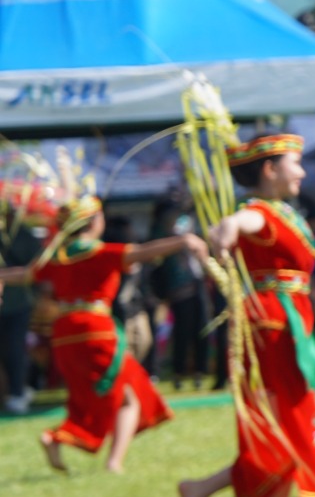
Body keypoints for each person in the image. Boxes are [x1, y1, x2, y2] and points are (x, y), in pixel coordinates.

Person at [176, 134, 315, 497]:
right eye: (295, 163)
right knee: (285, 425)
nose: (302, 171)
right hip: (270, 326)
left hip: (287, 323)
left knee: (286, 427)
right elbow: (240, 223)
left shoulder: (285, 212)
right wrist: (225, 229)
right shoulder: (258, 212)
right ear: (269, 169)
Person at [0, 196, 204, 472]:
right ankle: (110, 461)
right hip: (95, 329)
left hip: (63, 333)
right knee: (127, 397)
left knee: (96, 395)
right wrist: (183, 241)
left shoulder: (56, 259)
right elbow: (143, 252)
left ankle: (66, 440)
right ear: (95, 222)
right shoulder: (99, 252)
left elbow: (25, 274)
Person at [152, 214, 213, 390]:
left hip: (198, 290)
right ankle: (178, 374)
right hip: (181, 293)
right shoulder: (171, 245)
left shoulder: (197, 245)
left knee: (202, 330)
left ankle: (199, 372)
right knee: (182, 334)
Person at [2, 208, 40, 415]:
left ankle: (18, 391)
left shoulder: (23, 235)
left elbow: (36, 268)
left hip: (17, 303)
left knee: (14, 349)